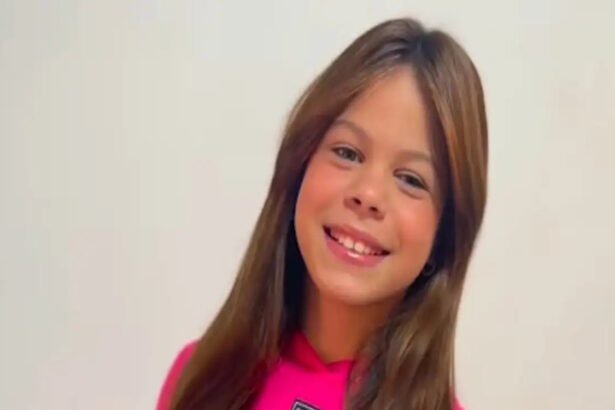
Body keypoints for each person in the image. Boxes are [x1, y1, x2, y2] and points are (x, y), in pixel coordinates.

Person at [157, 16, 487, 410]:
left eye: (411, 179)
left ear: (444, 234)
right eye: (348, 153)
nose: (368, 194)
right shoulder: (200, 378)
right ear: (299, 166)